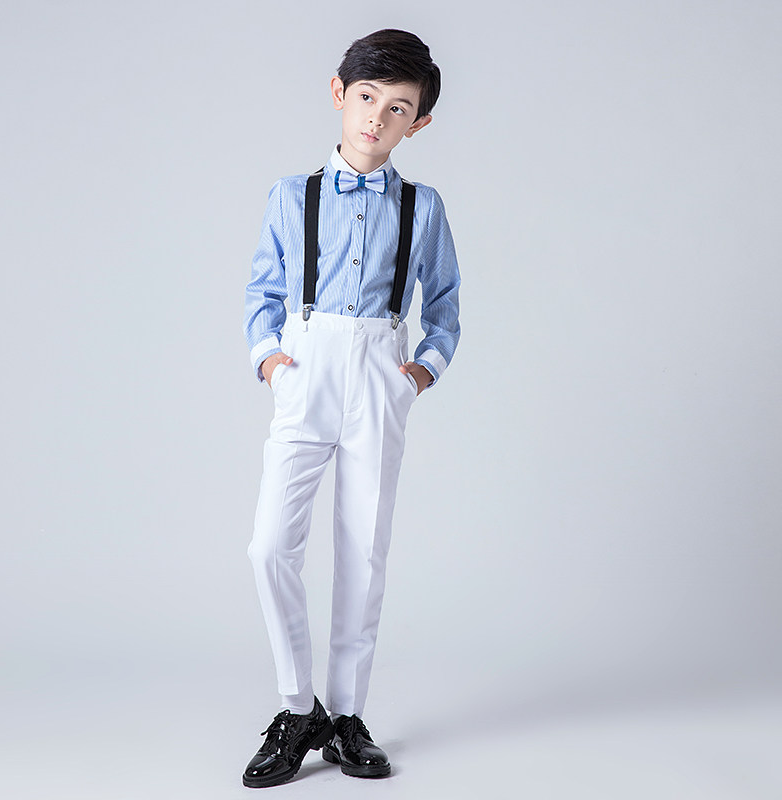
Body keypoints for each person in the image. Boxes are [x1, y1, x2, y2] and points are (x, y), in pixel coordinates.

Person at [241, 28, 461, 788]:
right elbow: (263, 289)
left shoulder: (423, 206)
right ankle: (296, 707)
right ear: (339, 93)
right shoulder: (291, 195)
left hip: (377, 371)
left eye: (398, 107)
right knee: (269, 546)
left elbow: (446, 304)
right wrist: (270, 361)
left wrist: (418, 373)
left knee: (364, 551)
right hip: (306, 368)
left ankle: (346, 716)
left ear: (417, 123)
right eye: (367, 97)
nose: (377, 116)